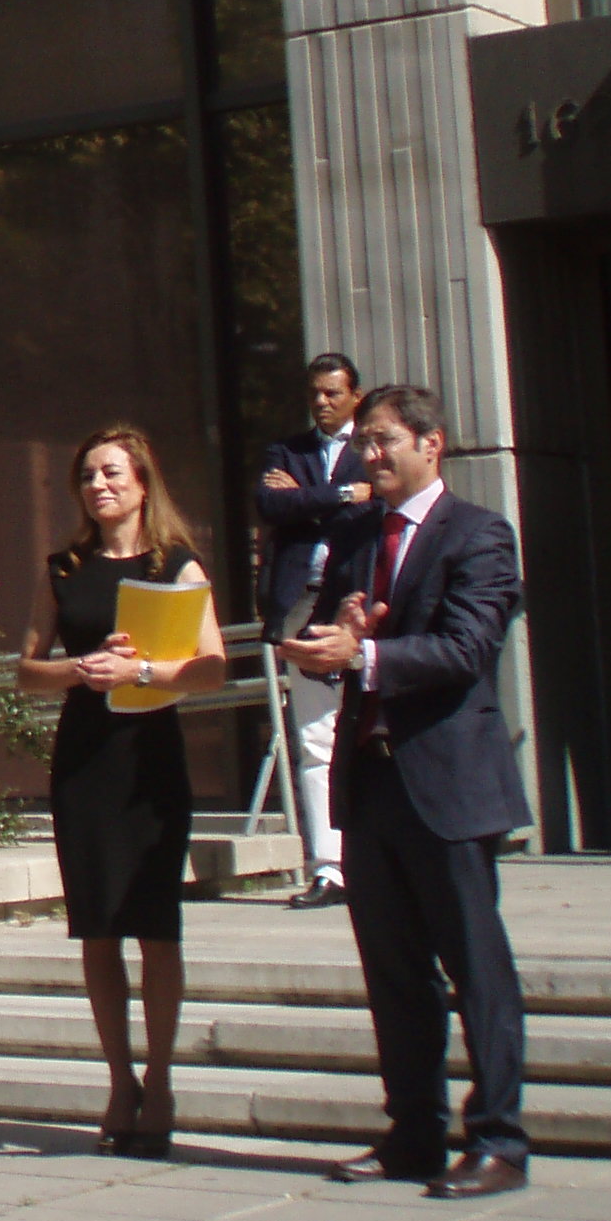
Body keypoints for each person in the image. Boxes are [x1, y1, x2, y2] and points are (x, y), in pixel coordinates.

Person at [277, 384, 532, 1200]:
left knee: (476, 969)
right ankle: (412, 1133)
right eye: (365, 443)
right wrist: (332, 632)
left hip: (449, 783)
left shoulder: (481, 536)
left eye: (384, 440)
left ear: (434, 443)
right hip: (374, 781)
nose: (370, 456)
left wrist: (367, 657)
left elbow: (467, 648)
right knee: (393, 974)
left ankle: (497, 1138)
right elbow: (334, 630)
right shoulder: (355, 536)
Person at [18, 427, 228, 1158]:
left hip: (149, 760)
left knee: (155, 922)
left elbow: (212, 667)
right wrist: (82, 671)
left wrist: (142, 675)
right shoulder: (64, 567)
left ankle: (161, 1079)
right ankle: (118, 1080)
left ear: (142, 481)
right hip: (85, 761)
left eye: (112, 472)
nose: (98, 485)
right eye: (87, 475)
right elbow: (26, 668)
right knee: (97, 925)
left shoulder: (177, 564)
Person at [257, 353, 370, 908]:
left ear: (355, 395)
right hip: (300, 609)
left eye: (332, 393)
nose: (322, 402)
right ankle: (329, 868)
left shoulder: (373, 448)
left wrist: (304, 502)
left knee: (373, 730)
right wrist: (345, 496)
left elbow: (376, 508)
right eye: (315, 393)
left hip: (361, 605)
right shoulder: (287, 451)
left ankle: (376, 860)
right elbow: (270, 503)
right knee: (313, 738)